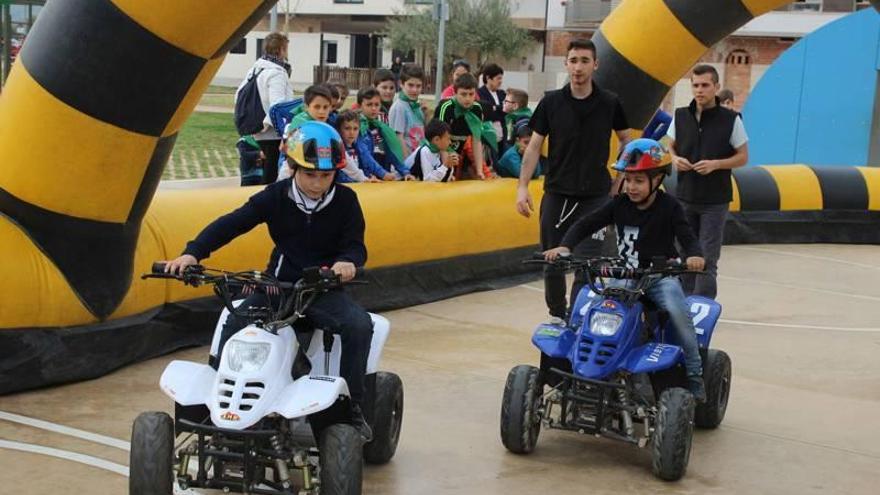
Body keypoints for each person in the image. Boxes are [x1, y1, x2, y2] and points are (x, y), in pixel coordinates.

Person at [163, 121, 375, 440]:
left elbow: (355, 245)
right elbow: (232, 223)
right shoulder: (275, 197)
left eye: (327, 175)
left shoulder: (346, 201)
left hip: (321, 288)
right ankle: (216, 403)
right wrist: (192, 254)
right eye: (310, 174)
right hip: (278, 285)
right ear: (292, 167)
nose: (318, 183)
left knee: (359, 325)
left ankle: (352, 411)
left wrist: (348, 263)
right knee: (234, 323)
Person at [543, 138, 707, 401]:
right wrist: (565, 247)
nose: (631, 187)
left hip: (658, 277)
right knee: (587, 312)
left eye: (639, 181)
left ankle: (695, 374)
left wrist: (696, 255)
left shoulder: (670, 207)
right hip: (625, 276)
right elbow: (586, 224)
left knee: (679, 314)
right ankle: (576, 372)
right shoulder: (618, 204)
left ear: (657, 180)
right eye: (627, 180)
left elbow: (687, 236)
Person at [515, 38, 631, 325]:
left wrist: (621, 177)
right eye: (573, 60)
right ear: (565, 64)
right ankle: (557, 314)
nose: (578, 67)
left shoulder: (610, 102)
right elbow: (533, 147)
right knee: (552, 262)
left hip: (596, 198)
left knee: (588, 264)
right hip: (557, 194)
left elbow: (627, 140)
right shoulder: (551, 102)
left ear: (595, 64)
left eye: (584, 61)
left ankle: (578, 318)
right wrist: (522, 188)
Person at [667, 64, 748, 300]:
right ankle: (681, 306)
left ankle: (702, 311)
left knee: (707, 259)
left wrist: (716, 164)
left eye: (705, 85)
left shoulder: (731, 119)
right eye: (695, 85)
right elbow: (669, 144)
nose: (699, 90)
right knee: (684, 256)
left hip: (715, 201)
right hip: (684, 197)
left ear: (716, 87)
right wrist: (674, 158)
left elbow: (743, 157)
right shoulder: (681, 115)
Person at [235, 32, 293, 184]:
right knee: (269, 179)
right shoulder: (277, 73)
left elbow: (239, 96)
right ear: (281, 49)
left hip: (255, 134)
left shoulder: (255, 70)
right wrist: (282, 132)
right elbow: (278, 106)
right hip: (271, 135)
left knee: (257, 178)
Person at [434, 73, 492, 180]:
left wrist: (479, 170)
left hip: (459, 149)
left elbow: (476, 140)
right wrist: (447, 169)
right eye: (463, 94)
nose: (468, 99)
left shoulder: (477, 109)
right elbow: (440, 141)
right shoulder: (446, 107)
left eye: (471, 94)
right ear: (455, 93)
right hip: (438, 152)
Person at [278, 85, 334, 180]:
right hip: (292, 166)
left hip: (315, 166)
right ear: (306, 107)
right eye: (317, 107)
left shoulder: (327, 125)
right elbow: (284, 147)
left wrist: (360, 176)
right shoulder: (300, 123)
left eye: (325, 107)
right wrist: (292, 168)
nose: (322, 111)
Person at [357, 87, 414, 180]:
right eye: (369, 105)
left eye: (377, 104)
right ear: (360, 106)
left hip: (383, 177)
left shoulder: (382, 128)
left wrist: (405, 172)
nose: (374, 108)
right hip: (367, 178)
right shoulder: (357, 128)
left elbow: (391, 152)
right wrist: (382, 173)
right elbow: (365, 156)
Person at [335, 110, 391, 183]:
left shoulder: (359, 148)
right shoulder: (337, 149)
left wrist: (369, 177)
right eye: (347, 128)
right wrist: (360, 181)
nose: (352, 132)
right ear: (339, 130)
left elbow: (368, 164)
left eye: (355, 129)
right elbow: (340, 174)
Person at [389, 63, 426, 158]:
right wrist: (406, 165)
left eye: (418, 86)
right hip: (407, 163)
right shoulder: (399, 107)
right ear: (401, 83)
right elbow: (398, 138)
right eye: (410, 85)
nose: (414, 90)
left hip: (418, 159)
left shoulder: (416, 106)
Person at [477, 63, 506, 150]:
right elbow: (487, 113)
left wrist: (495, 108)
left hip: (502, 136)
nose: (500, 81)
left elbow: (506, 110)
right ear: (488, 78)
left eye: (501, 78)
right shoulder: (480, 93)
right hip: (488, 137)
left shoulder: (502, 94)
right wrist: (499, 109)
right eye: (498, 78)